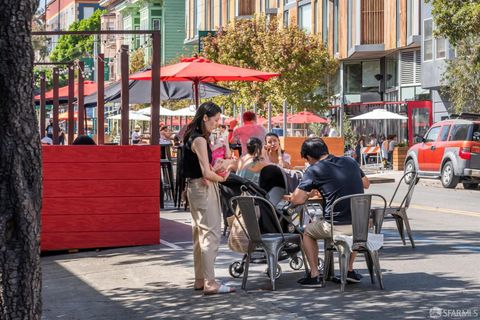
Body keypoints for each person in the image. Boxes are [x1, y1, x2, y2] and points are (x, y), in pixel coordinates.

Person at [290, 137, 370, 287]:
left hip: (336, 226)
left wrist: (308, 193)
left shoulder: (314, 169)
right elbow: (366, 184)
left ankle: (314, 275)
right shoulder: (350, 161)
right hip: (361, 225)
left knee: (306, 232)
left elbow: (297, 200)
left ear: (308, 157)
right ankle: (349, 270)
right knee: (352, 224)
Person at [182, 101, 236, 295]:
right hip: (204, 189)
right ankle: (210, 282)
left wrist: (217, 167)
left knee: (199, 235)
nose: (217, 123)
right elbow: (206, 172)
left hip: (194, 188)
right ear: (205, 117)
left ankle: (200, 279)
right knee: (211, 235)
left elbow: (201, 168)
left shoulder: (191, 136)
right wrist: (224, 177)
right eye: (215, 119)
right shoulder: (200, 140)